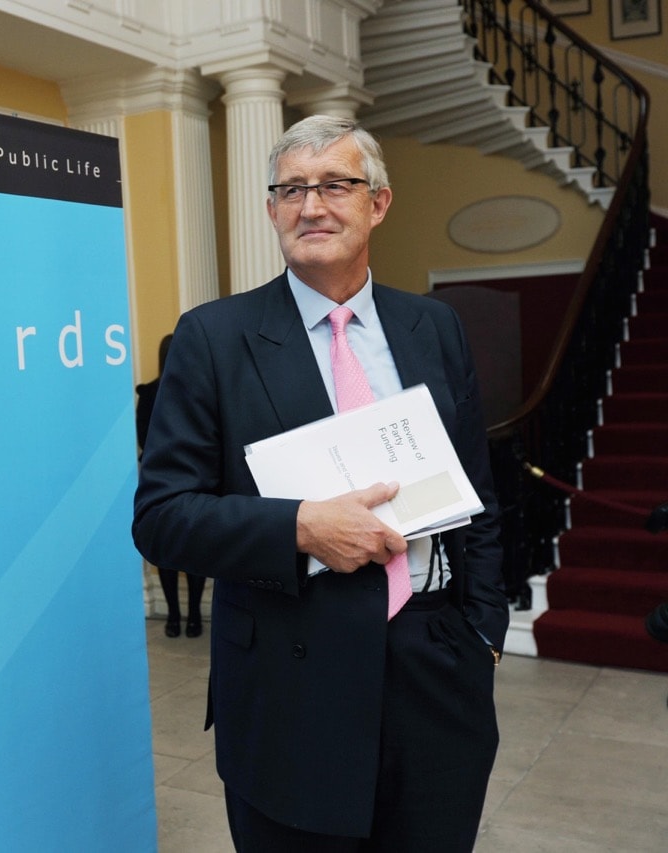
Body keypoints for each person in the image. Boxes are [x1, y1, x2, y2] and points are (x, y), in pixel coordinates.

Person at [132, 115, 508, 851]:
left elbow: (481, 500)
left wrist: (483, 636)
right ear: (272, 210)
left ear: (379, 203)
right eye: (292, 189)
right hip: (289, 684)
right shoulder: (212, 338)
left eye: (336, 184)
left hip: (437, 679)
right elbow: (162, 516)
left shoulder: (434, 326)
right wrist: (300, 527)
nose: (312, 205)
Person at [136, 333, 205, 638]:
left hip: (161, 478)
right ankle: (191, 617)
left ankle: (176, 617)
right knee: (191, 549)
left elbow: (142, 438)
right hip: (198, 477)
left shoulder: (150, 392)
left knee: (173, 550)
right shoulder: (168, 391)